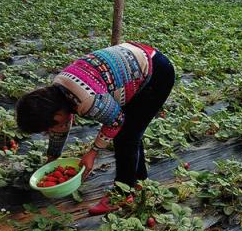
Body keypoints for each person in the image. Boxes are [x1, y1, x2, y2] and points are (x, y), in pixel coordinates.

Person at [15, 41, 175, 215]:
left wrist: (92, 153)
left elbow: (116, 121)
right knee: (131, 132)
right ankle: (139, 181)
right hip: (135, 63)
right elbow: (61, 123)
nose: (48, 131)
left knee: (126, 135)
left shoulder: (87, 99)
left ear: (55, 114)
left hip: (156, 72)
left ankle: (123, 193)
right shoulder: (58, 92)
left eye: (47, 127)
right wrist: (53, 156)